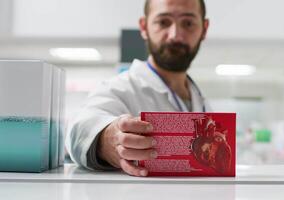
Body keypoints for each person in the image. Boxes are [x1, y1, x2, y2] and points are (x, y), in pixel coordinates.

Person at [66, 0, 210, 177]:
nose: (175, 35)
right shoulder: (120, 87)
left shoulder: (199, 98)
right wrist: (106, 141)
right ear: (144, 27)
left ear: (204, 28)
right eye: (163, 22)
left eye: (188, 23)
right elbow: (80, 129)